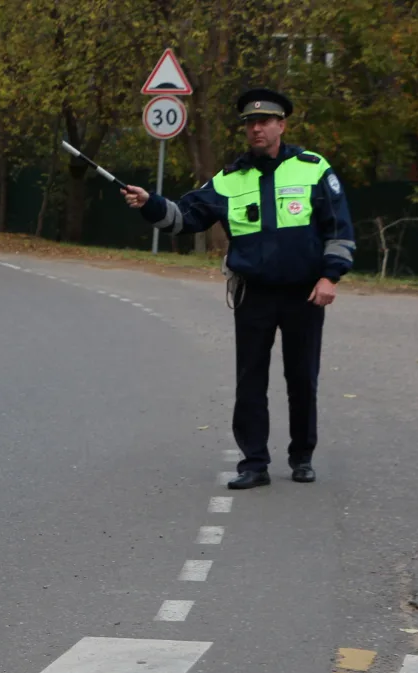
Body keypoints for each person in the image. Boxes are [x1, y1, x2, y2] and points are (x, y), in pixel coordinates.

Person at [122, 88, 355, 488]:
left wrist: (330, 277)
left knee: (302, 379)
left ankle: (302, 456)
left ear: (282, 125)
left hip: (304, 293)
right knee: (250, 381)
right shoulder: (229, 180)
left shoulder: (313, 168)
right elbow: (185, 218)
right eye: (250, 123)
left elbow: (339, 229)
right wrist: (149, 203)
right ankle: (254, 463)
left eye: (265, 122)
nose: (256, 129)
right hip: (254, 294)